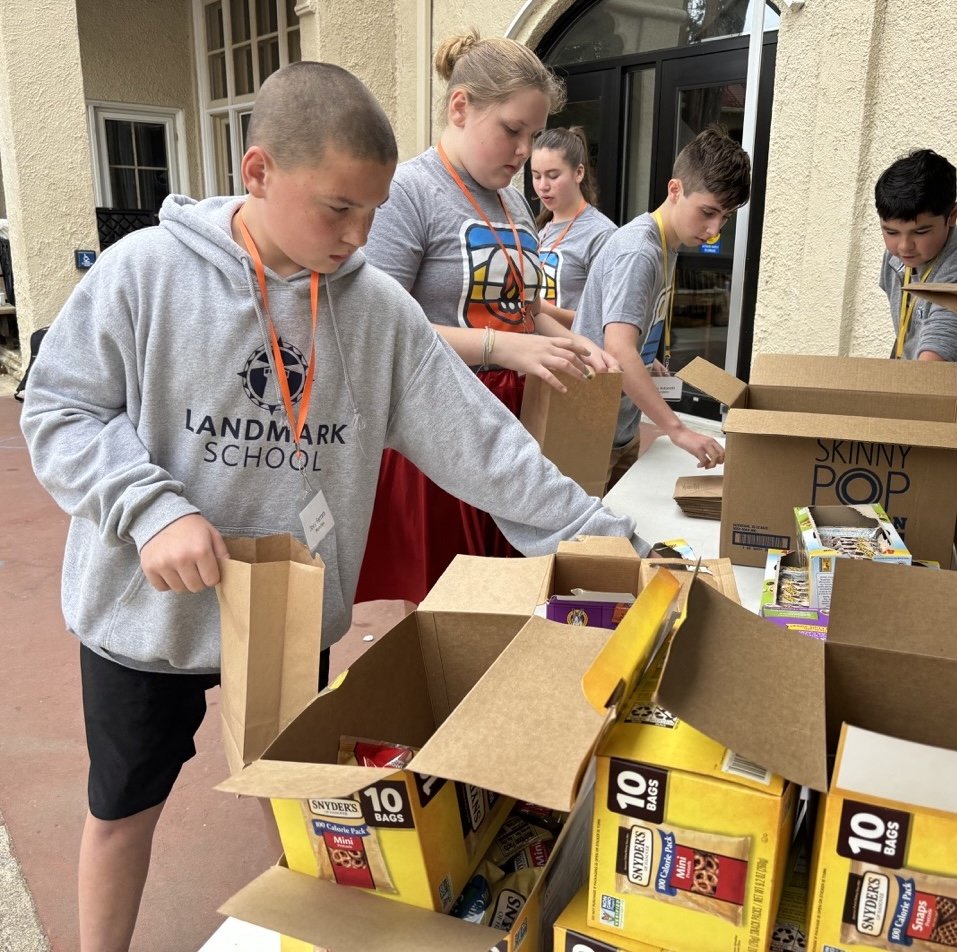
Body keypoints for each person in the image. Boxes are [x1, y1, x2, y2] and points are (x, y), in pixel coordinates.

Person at [19, 62, 647, 951]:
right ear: (259, 171)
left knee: (302, 804)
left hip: (286, 615)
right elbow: (58, 407)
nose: (356, 236)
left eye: (373, 211)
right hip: (143, 615)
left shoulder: (376, 312)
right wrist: (147, 507)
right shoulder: (146, 274)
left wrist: (610, 535)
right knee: (122, 808)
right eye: (335, 208)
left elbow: (488, 450)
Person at [355, 32, 619, 605]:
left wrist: (572, 341)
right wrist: (503, 349)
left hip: (515, 426)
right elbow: (378, 327)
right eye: (511, 130)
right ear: (460, 107)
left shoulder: (513, 201)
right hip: (440, 432)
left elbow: (523, 311)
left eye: (531, 134)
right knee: (449, 607)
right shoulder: (409, 193)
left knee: (512, 596)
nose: (524, 150)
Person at [572, 126, 750, 491]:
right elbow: (618, 348)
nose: (715, 229)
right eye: (708, 212)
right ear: (675, 189)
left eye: (726, 217)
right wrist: (678, 431)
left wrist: (647, 357)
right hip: (588, 428)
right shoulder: (641, 251)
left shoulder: (667, 246)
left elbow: (628, 340)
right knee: (586, 544)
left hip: (619, 424)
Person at [875, 148, 957, 361]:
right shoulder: (896, 257)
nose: (904, 246)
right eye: (891, 232)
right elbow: (908, 326)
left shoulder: (953, 269)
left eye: (920, 232)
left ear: (952, 216)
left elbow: (938, 350)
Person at [531, 126, 617, 328]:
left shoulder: (602, 234)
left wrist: (543, 309)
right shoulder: (539, 228)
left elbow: (608, 319)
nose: (543, 185)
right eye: (536, 176)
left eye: (552, 176)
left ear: (578, 173)